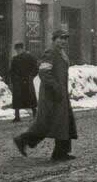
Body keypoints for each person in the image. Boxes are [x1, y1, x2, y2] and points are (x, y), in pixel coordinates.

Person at [13, 29, 78, 161]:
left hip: (60, 94)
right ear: (54, 39)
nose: (63, 41)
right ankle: (22, 140)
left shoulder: (61, 53)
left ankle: (60, 152)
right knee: (47, 122)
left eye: (65, 38)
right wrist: (55, 87)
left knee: (64, 121)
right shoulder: (50, 52)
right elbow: (44, 73)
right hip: (51, 95)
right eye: (60, 38)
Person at [9, 42, 39, 122]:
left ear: (22, 49)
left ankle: (35, 115)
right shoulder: (15, 59)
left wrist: (31, 77)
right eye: (16, 50)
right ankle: (17, 117)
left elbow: (36, 68)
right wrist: (13, 80)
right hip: (18, 82)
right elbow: (12, 71)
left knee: (31, 98)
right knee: (17, 99)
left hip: (27, 81)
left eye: (19, 49)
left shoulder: (30, 57)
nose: (17, 51)